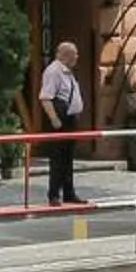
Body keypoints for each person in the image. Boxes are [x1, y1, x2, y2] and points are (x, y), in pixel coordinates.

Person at [38, 40, 86, 208]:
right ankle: (53, 195)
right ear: (67, 55)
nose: (77, 57)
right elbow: (45, 97)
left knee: (68, 158)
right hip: (60, 119)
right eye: (75, 54)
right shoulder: (53, 71)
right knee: (58, 158)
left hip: (70, 119)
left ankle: (68, 192)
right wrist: (54, 119)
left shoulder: (68, 72)